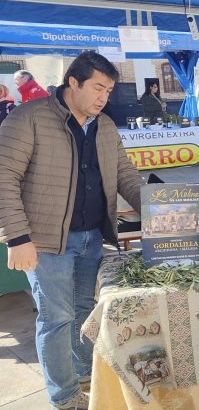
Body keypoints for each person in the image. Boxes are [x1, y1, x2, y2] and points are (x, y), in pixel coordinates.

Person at [0, 52, 144, 410]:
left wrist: (163, 210)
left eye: (109, 91)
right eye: (97, 88)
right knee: (56, 319)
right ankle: (64, 399)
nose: (103, 97)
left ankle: (85, 376)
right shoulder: (28, 118)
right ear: (73, 82)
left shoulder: (105, 126)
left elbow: (125, 174)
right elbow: (3, 178)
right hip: (45, 242)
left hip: (91, 236)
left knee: (84, 311)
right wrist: (17, 238)